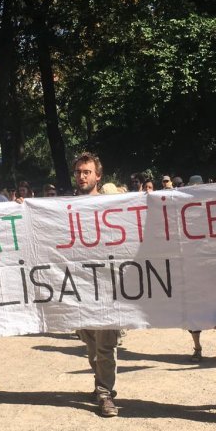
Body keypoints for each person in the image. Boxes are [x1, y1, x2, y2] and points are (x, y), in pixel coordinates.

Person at [72, 152, 121, 417]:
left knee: (105, 344)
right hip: (79, 287)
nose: (82, 176)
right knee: (90, 343)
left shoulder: (112, 206)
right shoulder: (64, 208)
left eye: (87, 172)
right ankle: (100, 382)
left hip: (108, 287)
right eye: (79, 172)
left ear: (97, 176)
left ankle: (105, 393)